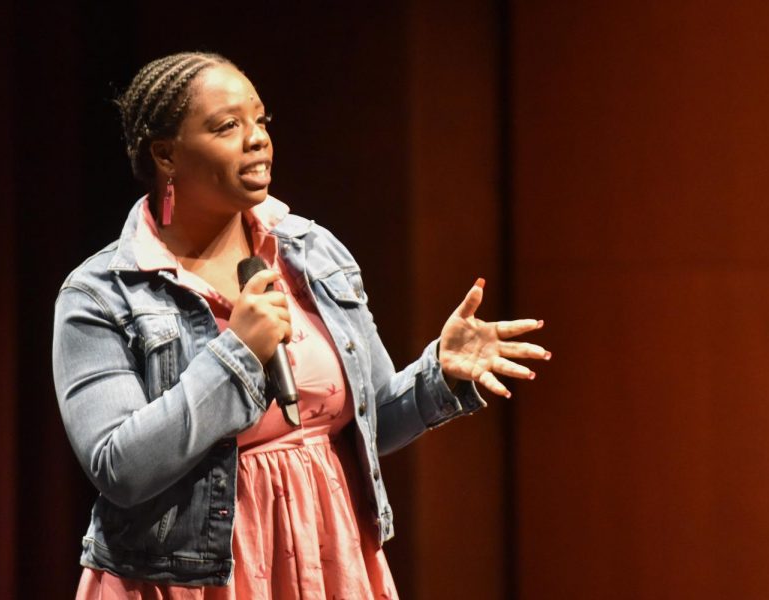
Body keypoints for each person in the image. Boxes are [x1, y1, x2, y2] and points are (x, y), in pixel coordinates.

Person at [52, 51, 551, 599]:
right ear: (167, 154)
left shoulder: (311, 253)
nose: (257, 139)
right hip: (190, 577)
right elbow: (120, 468)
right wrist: (238, 355)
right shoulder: (101, 292)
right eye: (227, 127)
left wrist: (439, 375)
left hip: (326, 554)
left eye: (260, 121)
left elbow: (368, 422)